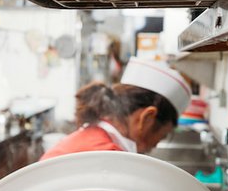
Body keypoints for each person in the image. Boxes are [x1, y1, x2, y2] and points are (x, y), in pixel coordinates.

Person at [40, 58, 192, 160]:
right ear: (147, 118)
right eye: (162, 135)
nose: (156, 145)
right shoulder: (109, 156)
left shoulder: (94, 136)